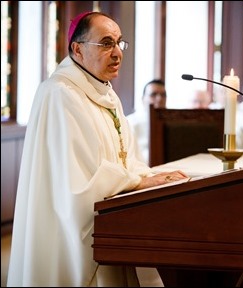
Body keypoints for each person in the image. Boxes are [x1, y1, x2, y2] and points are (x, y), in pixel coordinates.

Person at [7, 11, 187, 287]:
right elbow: (78, 183)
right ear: (77, 49)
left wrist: (149, 177)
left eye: (119, 42)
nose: (117, 53)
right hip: (72, 237)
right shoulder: (60, 94)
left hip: (115, 223)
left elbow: (126, 157)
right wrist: (139, 181)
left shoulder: (105, 93)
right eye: (106, 43)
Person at [126, 79, 167, 165]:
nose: (159, 99)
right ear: (143, 99)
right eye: (153, 94)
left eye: (163, 95)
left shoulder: (171, 121)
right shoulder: (130, 122)